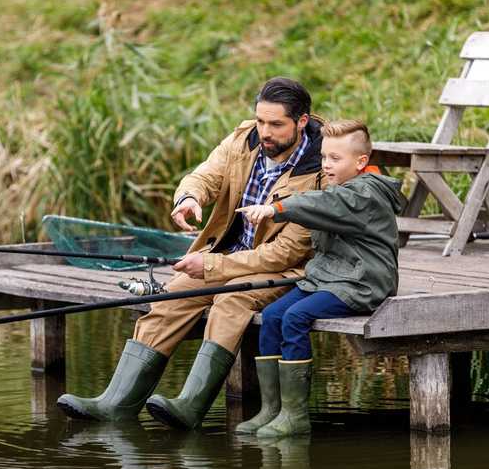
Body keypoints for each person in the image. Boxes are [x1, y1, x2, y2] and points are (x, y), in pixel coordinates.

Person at [57, 77, 325, 429]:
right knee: (171, 297)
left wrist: (212, 264)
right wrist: (189, 198)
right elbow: (205, 175)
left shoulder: (320, 170)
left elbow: (287, 252)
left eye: (276, 124)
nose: (265, 132)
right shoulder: (244, 140)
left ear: (301, 121)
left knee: (231, 303)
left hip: (282, 270)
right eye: (261, 121)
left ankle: (191, 406)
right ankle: (116, 404)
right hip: (226, 258)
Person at [234, 120, 404, 437]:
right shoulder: (340, 185)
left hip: (363, 283)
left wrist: (276, 209)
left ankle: (295, 416)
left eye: (335, 159)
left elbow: (323, 204)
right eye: (324, 157)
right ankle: (271, 410)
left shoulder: (364, 194)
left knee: (296, 316)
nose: (326, 165)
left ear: (361, 162)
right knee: (272, 315)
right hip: (330, 278)